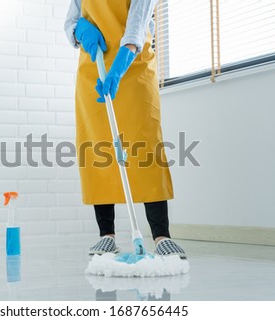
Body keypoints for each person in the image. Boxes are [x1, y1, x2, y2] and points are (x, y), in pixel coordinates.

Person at [64, 0, 186, 259]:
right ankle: (106, 236)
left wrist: (117, 70)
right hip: (93, 67)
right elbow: (70, 23)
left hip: (133, 64)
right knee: (98, 148)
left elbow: (135, 32)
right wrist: (80, 31)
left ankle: (161, 236)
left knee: (146, 149)